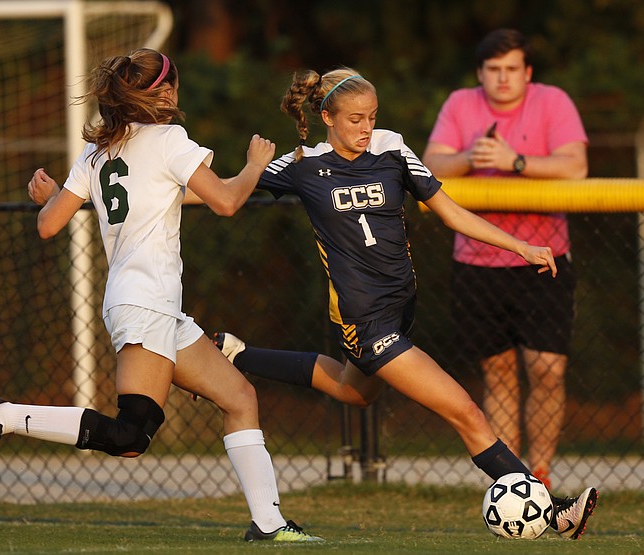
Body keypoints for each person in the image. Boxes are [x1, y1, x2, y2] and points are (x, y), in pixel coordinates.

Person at [212, 66, 597, 539]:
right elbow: (222, 193)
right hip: (365, 319)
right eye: (354, 119)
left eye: (371, 116)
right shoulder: (302, 165)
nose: (365, 128)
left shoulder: (391, 148)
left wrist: (520, 245)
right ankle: (552, 511)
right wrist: (173, 185)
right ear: (327, 116)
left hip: (400, 310)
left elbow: (451, 212)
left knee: (355, 392)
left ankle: (234, 353)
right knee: (466, 412)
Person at [0, 48, 321, 543]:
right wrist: (258, 163)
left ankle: (269, 523)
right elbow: (229, 202)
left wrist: (58, 196)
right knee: (131, 435)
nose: (171, 95)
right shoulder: (169, 139)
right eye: (163, 87)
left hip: (152, 305)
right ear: (141, 96)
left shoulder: (98, 153)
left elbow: (48, 225)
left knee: (239, 396)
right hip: (146, 302)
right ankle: (2, 416)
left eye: (171, 85)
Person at [421, 28, 588, 491]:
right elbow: (429, 164)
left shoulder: (552, 101)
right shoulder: (460, 104)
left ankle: (543, 472)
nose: (502, 78)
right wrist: (470, 158)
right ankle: (514, 483)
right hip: (477, 262)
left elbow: (575, 166)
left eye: (512, 69)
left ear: (527, 72)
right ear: (480, 74)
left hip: (543, 259)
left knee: (548, 370)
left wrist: (516, 161)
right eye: (493, 70)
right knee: (497, 373)